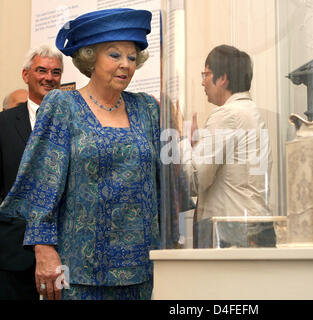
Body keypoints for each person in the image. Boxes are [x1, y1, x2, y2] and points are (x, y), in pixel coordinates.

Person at [0, 8, 159, 300]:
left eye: (132, 57)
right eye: (114, 55)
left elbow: (164, 181)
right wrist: (44, 249)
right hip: (77, 270)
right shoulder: (63, 105)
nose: (125, 64)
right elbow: (42, 185)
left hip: (140, 269)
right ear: (90, 58)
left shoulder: (147, 108)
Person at [179, 45, 274, 248]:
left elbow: (195, 180)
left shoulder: (227, 115)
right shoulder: (251, 113)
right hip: (254, 228)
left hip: (231, 233)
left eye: (206, 74)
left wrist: (181, 141)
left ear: (222, 78)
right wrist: (196, 146)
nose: (203, 81)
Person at [0, 45, 63, 300]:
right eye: (41, 70)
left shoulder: (73, 122)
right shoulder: (3, 124)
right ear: (26, 75)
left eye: (56, 72)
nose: (49, 77)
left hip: (64, 252)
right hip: (13, 255)